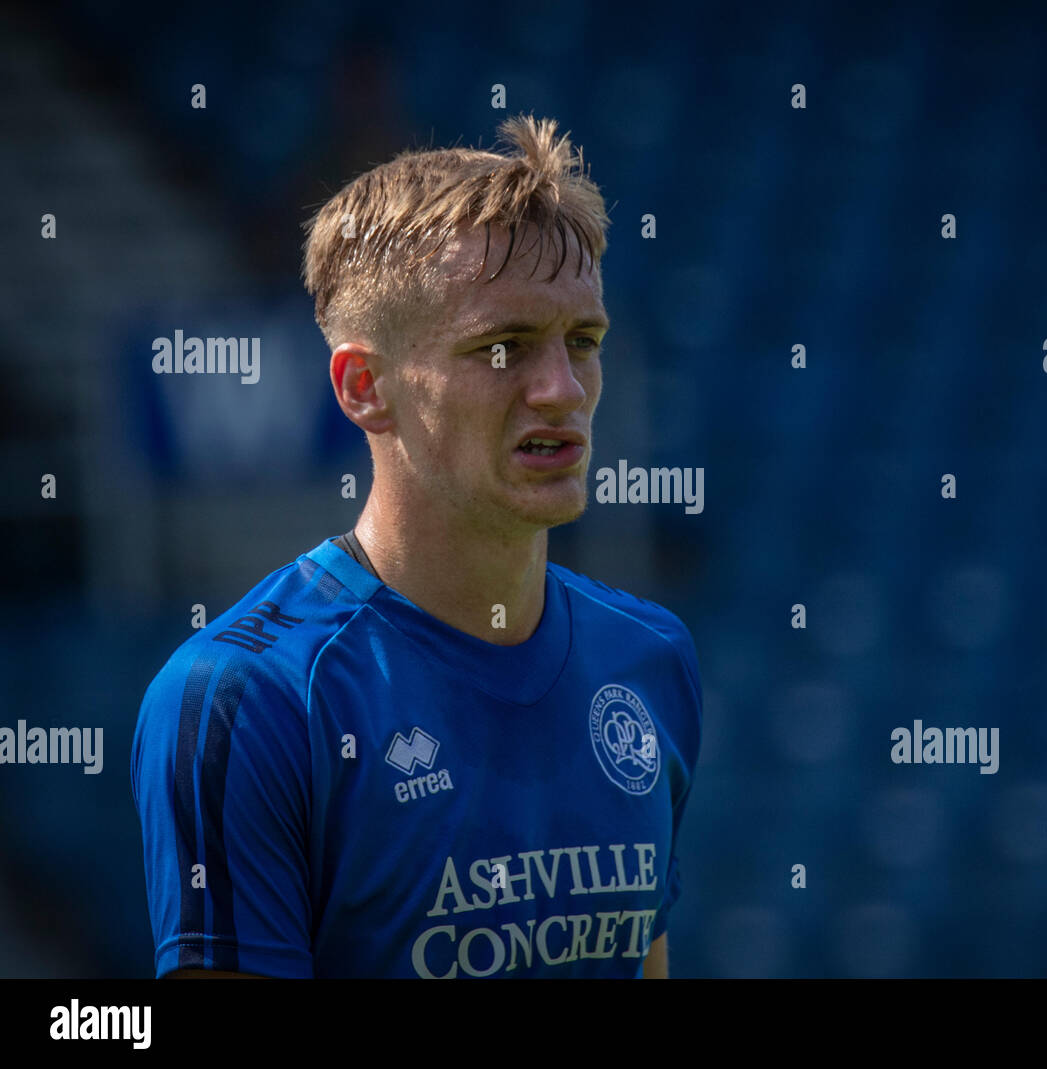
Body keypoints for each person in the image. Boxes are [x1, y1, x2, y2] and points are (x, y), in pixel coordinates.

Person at [130, 115, 703, 979]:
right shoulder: (249, 701)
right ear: (366, 388)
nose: (561, 389)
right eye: (502, 347)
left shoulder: (650, 656)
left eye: (582, 343)